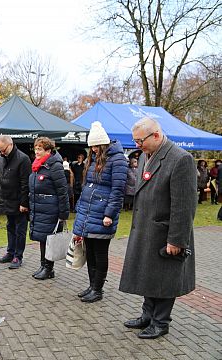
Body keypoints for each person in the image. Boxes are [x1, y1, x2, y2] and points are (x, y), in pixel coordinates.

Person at [119, 117, 197, 339]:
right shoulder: (146, 155)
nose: (137, 145)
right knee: (148, 276)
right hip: (147, 231)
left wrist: (177, 240)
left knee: (164, 279)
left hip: (165, 234)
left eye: (139, 140)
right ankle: (147, 315)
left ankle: (161, 322)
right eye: (135, 141)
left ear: (156, 135)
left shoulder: (180, 159)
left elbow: (184, 205)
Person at [72, 121, 127, 303]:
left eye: (96, 145)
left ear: (103, 143)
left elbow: (118, 190)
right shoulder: (93, 159)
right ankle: (92, 285)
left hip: (102, 213)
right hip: (88, 212)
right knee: (91, 253)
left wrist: (109, 214)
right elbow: (87, 186)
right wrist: (80, 208)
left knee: (100, 252)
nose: (94, 149)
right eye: (92, 146)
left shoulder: (118, 160)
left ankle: (98, 289)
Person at [29, 137, 69, 280]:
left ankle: (48, 268)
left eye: (40, 149)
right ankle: (43, 265)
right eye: (35, 148)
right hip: (40, 208)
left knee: (49, 239)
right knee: (42, 239)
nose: (36, 151)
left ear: (48, 150)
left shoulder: (55, 166)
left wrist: (64, 213)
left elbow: (63, 191)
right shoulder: (37, 165)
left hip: (51, 209)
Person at [0, 135, 31, 269]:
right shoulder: (0, 159)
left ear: (10, 145)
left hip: (19, 201)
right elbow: (0, 178)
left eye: (3, 149)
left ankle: (18, 256)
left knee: (20, 229)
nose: (1, 152)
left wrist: (24, 203)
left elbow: (25, 183)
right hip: (7, 199)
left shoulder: (23, 159)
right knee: (10, 227)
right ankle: (10, 252)